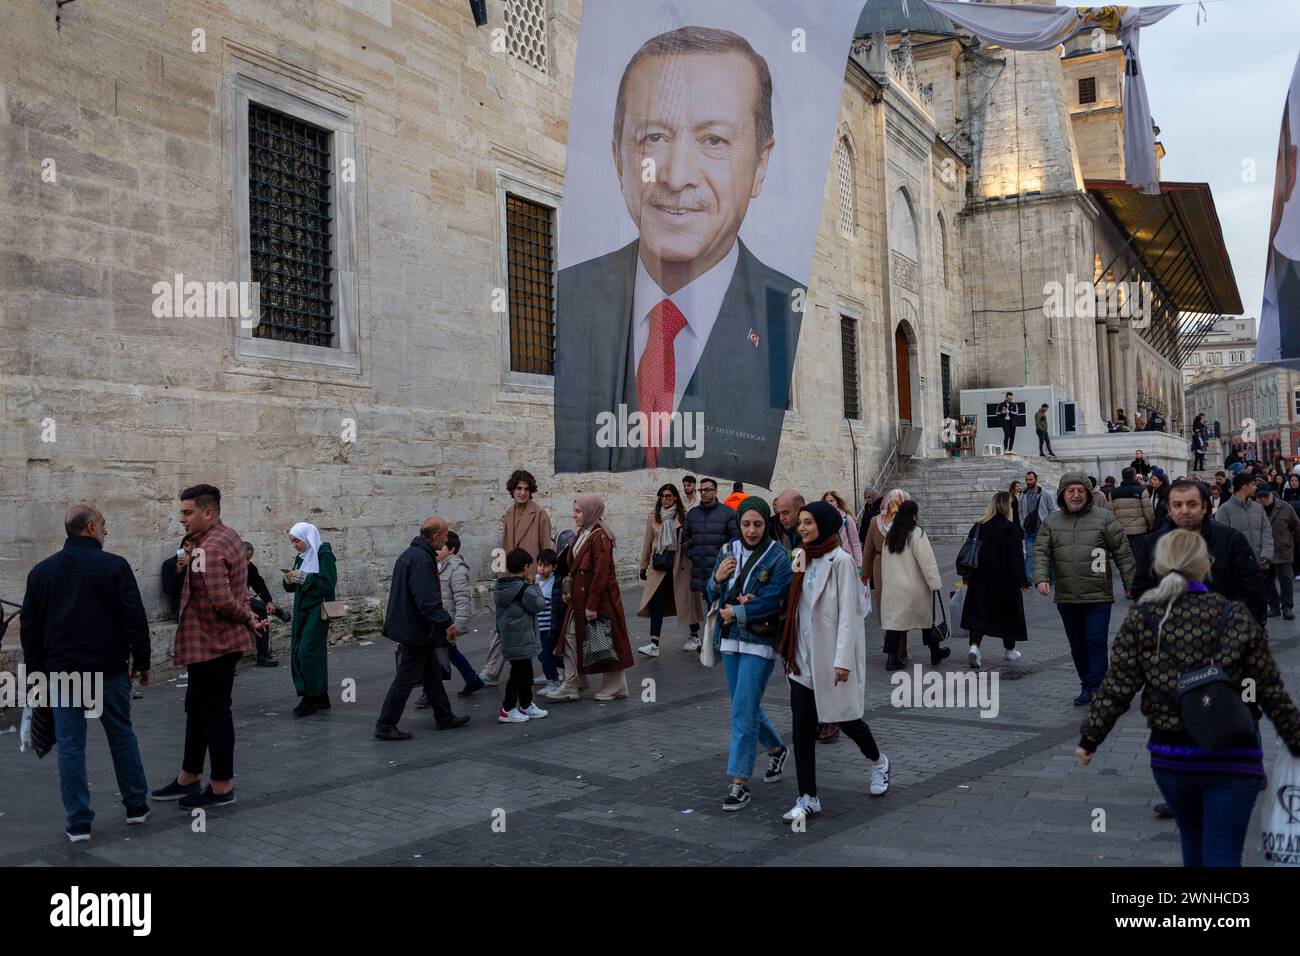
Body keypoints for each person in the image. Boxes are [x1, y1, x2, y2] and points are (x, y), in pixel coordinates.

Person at [553, 26, 802, 485]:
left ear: (761, 164)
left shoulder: (784, 309)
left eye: (714, 141)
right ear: (618, 158)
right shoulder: (566, 298)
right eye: (652, 138)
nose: (676, 176)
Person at [1077, 530, 1300, 867]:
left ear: (1159, 566)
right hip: (1232, 752)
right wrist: (1295, 737)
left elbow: (1117, 686)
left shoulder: (1144, 618)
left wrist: (1090, 739)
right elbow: (1268, 687)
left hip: (1171, 756)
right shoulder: (1234, 614)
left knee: (1193, 844)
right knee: (1223, 851)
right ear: (1205, 566)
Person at [20, 505, 151, 843]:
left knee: (71, 746)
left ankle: (78, 822)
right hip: (108, 669)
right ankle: (136, 805)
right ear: (91, 528)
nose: (106, 532)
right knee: (121, 735)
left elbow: (30, 630)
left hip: (64, 674)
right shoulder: (115, 567)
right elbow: (133, 617)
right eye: (104, 525)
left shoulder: (41, 572)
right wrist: (143, 661)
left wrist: (37, 675)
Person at [150, 484, 263, 810]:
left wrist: (248, 618)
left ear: (208, 512)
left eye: (187, 512)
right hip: (210, 643)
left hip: (215, 642)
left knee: (214, 713)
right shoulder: (224, 536)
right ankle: (189, 777)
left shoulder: (210, 548)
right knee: (197, 709)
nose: (181, 518)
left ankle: (221, 786)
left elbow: (222, 600)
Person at [776, 501, 890, 822]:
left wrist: (843, 660)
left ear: (824, 525)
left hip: (831, 658)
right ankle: (808, 796)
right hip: (800, 659)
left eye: (809, 522)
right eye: (800, 523)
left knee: (847, 721)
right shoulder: (799, 556)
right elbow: (792, 602)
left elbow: (849, 617)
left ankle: (879, 762)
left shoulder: (840, 561)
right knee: (801, 730)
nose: (802, 528)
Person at [705, 496, 793, 811]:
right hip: (729, 639)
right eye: (746, 524)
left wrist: (738, 613)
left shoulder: (778, 557)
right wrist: (716, 579)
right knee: (745, 703)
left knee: (742, 709)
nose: (751, 531)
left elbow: (772, 600)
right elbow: (709, 591)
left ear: (766, 523)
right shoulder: (728, 551)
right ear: (739, 523)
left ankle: (739, 783)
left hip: (759, 640)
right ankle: (775, 748)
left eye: (757, 524)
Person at [1033, 472, 1135, 705]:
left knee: (1096, 641)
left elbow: (1123, 553)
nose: (1076, 495)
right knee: (1077, 644)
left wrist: (1131, 585)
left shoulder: (1104, 518)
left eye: (1081, 491)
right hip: (1067, 596)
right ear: (1062, 495)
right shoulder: (1052, 522)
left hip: (1098, 594)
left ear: (1088, 494)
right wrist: (1040, 577)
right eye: (1071, 491)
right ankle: (1087, 685)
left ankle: (1097, 686)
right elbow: (1040, 552)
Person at [374, 517, 471, 740]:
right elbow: (427, 601)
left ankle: (444, 716)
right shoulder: (421, 560)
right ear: (435, 536)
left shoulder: (411, 555)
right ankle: (385, 724)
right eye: (445, 536)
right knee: (406, 678)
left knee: (432, 673)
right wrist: (447, 623)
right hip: (417, 630)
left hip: (415, 628)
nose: (446, 540)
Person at [1134, 480, 1270, 625]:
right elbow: (1142, 589)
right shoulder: (1153, 543)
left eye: (1192, 504)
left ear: (1204, 506)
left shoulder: (1231, 540)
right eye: (1177, 505)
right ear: (1169, 509)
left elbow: (1253, 590)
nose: (1185, 510)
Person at [549, 495, 636, 702]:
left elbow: (601, 573)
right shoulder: (583, 533)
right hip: (579, 599)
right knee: (571, 637)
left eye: (578, 511)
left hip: (598, 600)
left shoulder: (600, 536)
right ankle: (573, 682)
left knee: (606, 641)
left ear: (590, 512)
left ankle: (614, 687)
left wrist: (593, 604)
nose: (574, 515)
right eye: (575, 510)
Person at [478, 470, 554, 688]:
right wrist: (502, 577)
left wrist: (541, 578)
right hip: (510, 579)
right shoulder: (509, 513)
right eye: (518, 489)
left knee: (539, 627)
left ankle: (550, 669)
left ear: (531, 491)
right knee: (503, 624)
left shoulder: (539, 514)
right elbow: (504, 547)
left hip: (530, 579)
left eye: (526, 489)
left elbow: (546, 550)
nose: (522, 493)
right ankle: (492, 671)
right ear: (512, 490)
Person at [960, 492, 1030, 668]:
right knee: (1010, 613)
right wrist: (1022, 581)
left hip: (980, 578)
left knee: (979, 612)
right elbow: (1016, 558)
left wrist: (966, 576)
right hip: (1005, 580)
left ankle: (974, 647)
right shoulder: (1010, 528)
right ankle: (1010, 650)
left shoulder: (979, 526)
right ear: (1008, 507)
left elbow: (969, 551)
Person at [880, 501, 950, 670]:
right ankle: (935, 652)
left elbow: (884, 564)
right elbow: (927, 561)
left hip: (894, 588)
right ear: (914, 516)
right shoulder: (916, 533)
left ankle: (892, 658)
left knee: (895, 625)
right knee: (926, 621)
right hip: (914, 588)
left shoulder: (890, 536)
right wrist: (934, 583)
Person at [636, 483, 700, 657]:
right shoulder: (653, 517)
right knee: (657, 602)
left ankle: (695, 635)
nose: (665, 499)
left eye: (668, 496)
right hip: (660, 566)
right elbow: (647, 544)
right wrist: (643, 566)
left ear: (675, 498)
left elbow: (693, 540)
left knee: (684, 602)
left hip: (681, 565)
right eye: (662, 496)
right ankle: (654, 643)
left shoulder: (684, 517)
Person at [282, 522, 336, 718]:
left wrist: (305, 579)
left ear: (307, 538)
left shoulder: (324, 555)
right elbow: (292, 586)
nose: (295, 545)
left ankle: (310, 697)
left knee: (308, 653)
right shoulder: (301, 557)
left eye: (297, 540)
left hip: (316, 611)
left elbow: (328, 583)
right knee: (299, 650)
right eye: (293, 541)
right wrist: (289, 578)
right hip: (302, 610)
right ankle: (321, 695)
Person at [682, 477, 738, 652]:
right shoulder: (693, 514)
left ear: (715, 491)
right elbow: (685, 539)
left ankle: (719, 640)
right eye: (701, 490)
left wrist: (725, 559)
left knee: (719, 604)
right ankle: (713, 641)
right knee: (710, 607)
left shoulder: (728, 513)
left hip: (721, 570)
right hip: (701, 568)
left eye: (707, 490)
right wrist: (693, 554)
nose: (703, 493)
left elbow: (735, 539)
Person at [494, 548, 549, 724]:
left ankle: (526, 704)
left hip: (510, 636)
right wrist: (536, 587)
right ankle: (507, 708)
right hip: (522, 637)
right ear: (525, 566)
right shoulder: (525, 588)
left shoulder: (501, 586)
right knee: (519, 674)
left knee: (525, 671)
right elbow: (539, 605)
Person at [1213, 472, 1273, 569]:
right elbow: (1222, 540)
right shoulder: (1224, 510)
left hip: (1260, 564)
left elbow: (1267, 531)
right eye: (1253, 484)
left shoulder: (1258, 508)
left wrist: (1266, 554)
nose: (1256, 487)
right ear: (1245, 487)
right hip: (1237, 568)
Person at [1258, 484, 1300, 620]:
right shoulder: (1256, 509)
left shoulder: (1285, 507)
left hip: (1283, 548)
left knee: (1286, 578)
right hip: (1264, 550)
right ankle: (1274, 606)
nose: (1263, 499)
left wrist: (1293, 542)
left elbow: (1296, 526)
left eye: (1265, 495)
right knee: (1267, 580)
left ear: (1271, 494)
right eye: (1260, 496)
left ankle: (1287, 607)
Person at [243, 543, 287, 667]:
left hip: (246, 602)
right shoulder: (228, 567)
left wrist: (268, 601)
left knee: (261, 612)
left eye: (249, 559)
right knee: (256, 605)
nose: (247, 563)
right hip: (230, 602)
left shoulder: (249, 567)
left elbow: (258, 584)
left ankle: (263, 655)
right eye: (244, 559)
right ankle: (276, 611)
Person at [532, 548, 565, 697]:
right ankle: (563, 672)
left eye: (546, 565)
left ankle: (553, 681)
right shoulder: (535, 579)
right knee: (545, 653)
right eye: (539, 564)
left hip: (549, 626)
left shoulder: (554, 582)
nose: (542, 569)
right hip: (538, 625)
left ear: (553, 567)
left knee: (546, 654)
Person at [1108, 467, 1153, 559]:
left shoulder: (1113, 493)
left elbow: (1111, 514)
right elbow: (1148, 512)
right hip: (1139, 531)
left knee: (1125, 558)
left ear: (1122, 477)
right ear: (1134, 476)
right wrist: (1151, 526)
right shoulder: (1141, 491)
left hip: (1121, 531)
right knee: (1139, 557)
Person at [1019, 470, 1055, 582]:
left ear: (1036, 480)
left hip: (1043, 530)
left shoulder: (1046, 494)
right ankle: (1028, 579)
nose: (1028, 482)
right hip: (1029, 530)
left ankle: (1051, 577)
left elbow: (1052, 510)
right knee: (1030, 555)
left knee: (1047, 554)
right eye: (1026, 480)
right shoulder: (1023, 495)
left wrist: (1049, 525)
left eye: (1030, 479)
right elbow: (1020, 511)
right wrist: (1022, 524)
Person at [822, 490, 863, 569]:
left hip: (846, 561)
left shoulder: (847, 519)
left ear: (837, 502)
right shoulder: (822, 521)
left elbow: (855, 543)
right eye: (826, 501)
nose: (829, 503)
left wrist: (859, 565)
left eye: (831, 500)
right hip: (828, 562)